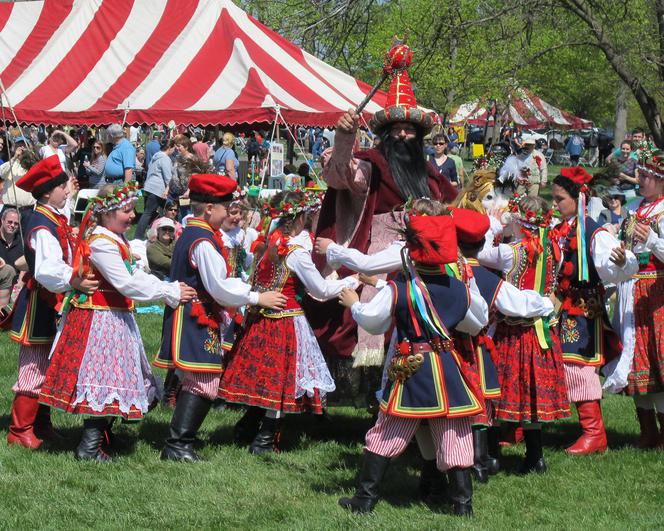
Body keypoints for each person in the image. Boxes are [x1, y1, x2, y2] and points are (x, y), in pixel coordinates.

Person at [310, 43, 457, 406]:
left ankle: (430, 387)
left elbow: (452, 203)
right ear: (386, 133)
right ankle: (374, 399)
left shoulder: (430, 172)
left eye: (410, 130)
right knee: (375, 312)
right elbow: (341, 176)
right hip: (379, 247)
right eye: (397, 129)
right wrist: (344, 136)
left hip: (428, 252)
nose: (404, 135)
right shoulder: (371, 162)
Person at [337, 211, 487, 517]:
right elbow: (475, 324)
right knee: (454, 435)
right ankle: (462, 505)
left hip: (411, 369)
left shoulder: (399, 287)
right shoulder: (460, 288)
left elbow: (374, 322)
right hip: (446, 369)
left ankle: (365, 499)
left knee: (388, 429)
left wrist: (354, 306)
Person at [38, 182, 195, 461]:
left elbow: (134, 273)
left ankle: (102, 437)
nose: (132, 215)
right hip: (99, 319)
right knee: (104, 379)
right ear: (107, 212)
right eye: (125, 210)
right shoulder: (100, 242)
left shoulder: (115, 238)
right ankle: (89, 446)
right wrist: (169, 292)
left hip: (114, 317)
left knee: (117, 377)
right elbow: (126, 283)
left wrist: (168, 287)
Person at [155, 173, 287, 462]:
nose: (231, 213)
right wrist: (256, 297)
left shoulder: (197, 234)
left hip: (196, 313)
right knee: (204, 379)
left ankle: (179, 442)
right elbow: (218, 286)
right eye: (227, 207)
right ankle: (178, 444)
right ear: (210, 209)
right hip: (195, 316)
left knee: (200, 378)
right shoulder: (201, 240)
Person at [219, 190, 358, 454]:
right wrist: (352, 281)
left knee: (267, 379)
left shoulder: (268, 244)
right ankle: (264, 440)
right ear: (299, 218)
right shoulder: (295, 252)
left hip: (262, 320)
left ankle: (246, 427)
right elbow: (320, 290)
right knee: (282, 382)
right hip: (286, 321)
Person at [7, 155, 99, 450]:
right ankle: (20, 430)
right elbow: (47, 269)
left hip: (51, 302)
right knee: (34, 366)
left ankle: (41, 425)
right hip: (39, 304)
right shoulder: (41, 224)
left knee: (47, 364)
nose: (67, 190)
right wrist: (74, 280)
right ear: (47, 192)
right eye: (62, 186)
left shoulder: (52, 217)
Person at [477, 195, 571, 472]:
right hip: (541, 330)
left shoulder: (510, 252)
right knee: (532, 393)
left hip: (511, 330)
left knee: (498, 389)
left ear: (519, 221)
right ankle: (535, 456)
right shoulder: (557, 249)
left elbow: (480, 254)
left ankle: (492, 454)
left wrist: (494, 223)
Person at [551, 166, 638, 455]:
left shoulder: (593, 232)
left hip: (584, 310)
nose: (554, 204)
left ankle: (595, 433)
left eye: (560, 199)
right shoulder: (562, 228)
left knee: (580, 365)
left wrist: (621, 261)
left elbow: (616, 269)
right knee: (569, 363)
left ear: (578, 199)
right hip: (565, 307)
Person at [604, 153, 664, 447]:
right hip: (632, 289)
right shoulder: (637, 209)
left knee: (657, 357)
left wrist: (653, 241)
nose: (640, 180)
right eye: (639, 174)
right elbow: (630, 253)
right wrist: (620, 258)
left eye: (646, 175)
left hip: (657, 292)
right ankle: (647, 430)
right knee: (636, 356)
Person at [135, 139, 175, 240]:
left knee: (152, 213)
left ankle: (153, 232)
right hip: (158, 188)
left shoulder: (155, 156)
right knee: (149, 213)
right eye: (174, 148)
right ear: (169, 148)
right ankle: (138, 237)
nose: (174, 150)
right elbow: (168, 177)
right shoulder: (165, 158)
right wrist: (170, 188)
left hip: (150, 186)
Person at [0, 136, 35, 223]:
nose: (22, 148)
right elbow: (2, 173)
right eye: (19, 145)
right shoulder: (11, 163)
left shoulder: (33, 165)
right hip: (10, 208)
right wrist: (15, 157)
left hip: (27, 210)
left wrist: (31, 155)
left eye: (25, 145)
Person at [0, 207, 25, 276]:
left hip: (16, 283)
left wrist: (20, 282)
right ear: (2, 220)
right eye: (10, 222)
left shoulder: (22, 242)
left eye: (16, 223)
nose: (12, 225)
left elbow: (25, 266)